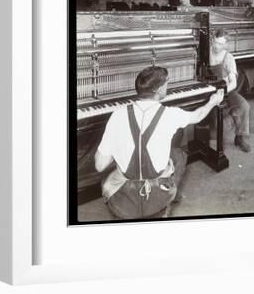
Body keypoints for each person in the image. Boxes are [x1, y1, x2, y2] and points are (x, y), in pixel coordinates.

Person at [94, 66, 224, 219]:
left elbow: (99, 165)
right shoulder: (170, 114)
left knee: (116, 173)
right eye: (167, 83)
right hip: (157, 199)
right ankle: (167, 198)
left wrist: (121, 149)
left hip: (123, 203)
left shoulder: (117, 115)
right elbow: (197, 116)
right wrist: (213, 101)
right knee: (179, 154)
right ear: (159, 89)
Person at [208, 29, 252, 152]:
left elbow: (233, 82)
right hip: (208, 91)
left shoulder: (228, 58)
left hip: (226, 90)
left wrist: (224, 91)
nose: (216, 46)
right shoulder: (206, 53)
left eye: (220, 44)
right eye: (215, 42)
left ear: (226, 44)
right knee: (217, 123)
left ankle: (239, 137)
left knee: (244, 106)